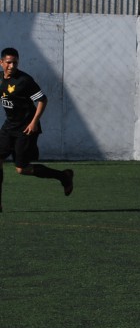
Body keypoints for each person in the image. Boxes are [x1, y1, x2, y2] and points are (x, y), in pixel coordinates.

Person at [0, 47, 73, 211]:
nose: (12, 66)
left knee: (21, 169)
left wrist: (33, 123)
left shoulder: (24, 81)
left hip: (25, 128)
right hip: (8, 127)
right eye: (9, 62)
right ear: (1, 62)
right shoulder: (0, 79)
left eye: (15, 62)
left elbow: (42, 100)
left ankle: (63, 176)